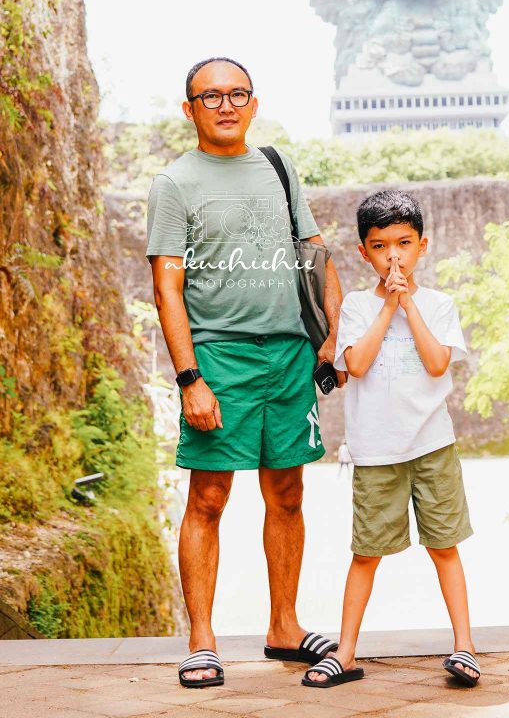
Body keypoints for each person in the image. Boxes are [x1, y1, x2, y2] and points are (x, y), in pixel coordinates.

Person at [146, 56, 345, 688]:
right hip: (219, 358)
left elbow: (312, 252)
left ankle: (284, 626)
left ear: (253, 103)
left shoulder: (279, 168)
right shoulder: (174, 183)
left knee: (287, 492)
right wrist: (188, 378)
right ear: (190, 110)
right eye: (211, 97)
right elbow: (166, 288)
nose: (226, 105)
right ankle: (202, 639)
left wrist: (330, 339)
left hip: (288, 355)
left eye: (238, 94)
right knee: (208, 496)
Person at [302, 189, 481, 690]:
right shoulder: (357, 306)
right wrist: (387, 307)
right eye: (381, 247)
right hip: (376, 451)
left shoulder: (440, 304)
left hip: (432, 445)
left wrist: (408, 304)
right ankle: (346, 653)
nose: (393, 255)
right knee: (366, 553)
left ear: (423, 245)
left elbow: (436, 362)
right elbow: (354, 364)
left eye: (404, 243)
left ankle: (465, 647)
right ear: (365, 253)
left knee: (444, 547)